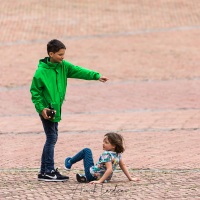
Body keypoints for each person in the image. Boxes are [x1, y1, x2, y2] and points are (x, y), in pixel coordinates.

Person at [30, 39, 108, 182]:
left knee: (51, 138)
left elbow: (78, 70)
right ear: (51, 54)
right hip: (47, 111)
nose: (62, 57)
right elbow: (35, 93)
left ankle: (44, 171)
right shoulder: (40, 72)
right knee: (51, 138)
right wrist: (42, 109)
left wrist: (96, 76)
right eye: (60, 55)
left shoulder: (63, 66)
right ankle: (48, 171)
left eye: (63, 55)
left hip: (56, 109)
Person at [64, 132, 139, 183]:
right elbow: (123, 166)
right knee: (96, 167)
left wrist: (99, 181)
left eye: (106, 143)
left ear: (113, 146)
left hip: (92, 175)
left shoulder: (106, 154)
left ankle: (69, 162)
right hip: (106, 178)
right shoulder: (118, 154)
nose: (103, 144)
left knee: (87, 150)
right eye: (103, 141)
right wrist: (130, 178)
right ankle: (84, 177)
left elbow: (109, 169)